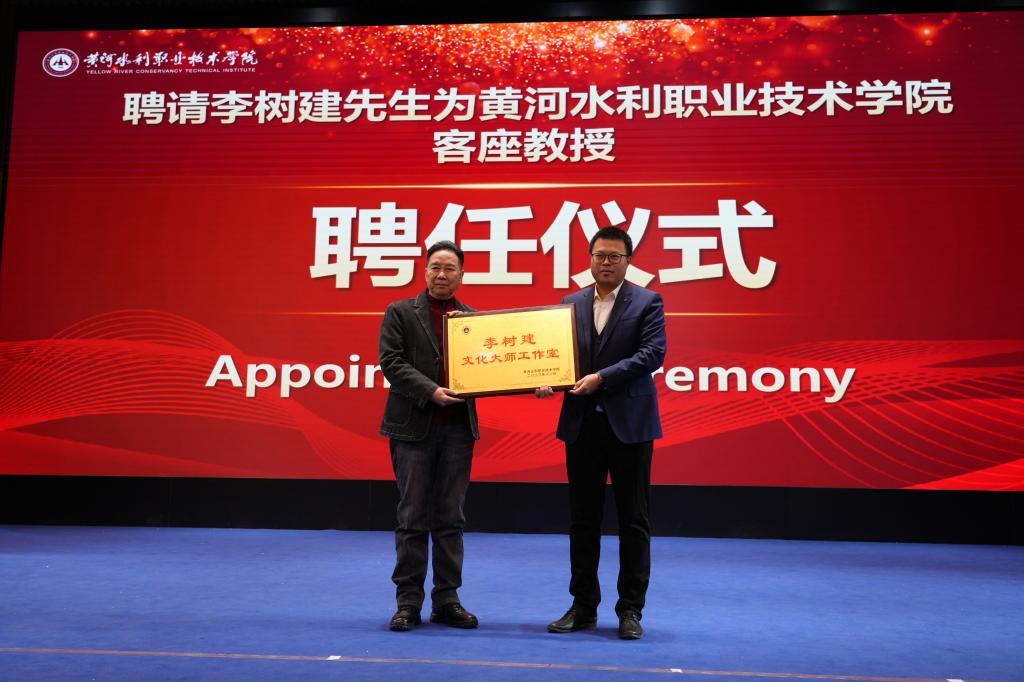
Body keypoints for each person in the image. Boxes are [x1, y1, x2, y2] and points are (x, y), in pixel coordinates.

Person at [536, 226, 666, 640]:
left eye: (614, 256)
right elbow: (557, 357)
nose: (606, 262)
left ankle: (630, 610)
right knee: (583, 520)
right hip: (582, 424)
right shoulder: (569, 304)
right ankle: (583, 606)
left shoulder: (647, 301)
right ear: (589, 259)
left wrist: (602, 378)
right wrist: (546, 378)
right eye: (599, 255)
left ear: (628, 261)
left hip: (630, 425)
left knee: (634, 521)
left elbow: (653, 354)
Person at [378, 240, 479, 632]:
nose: (441, 274)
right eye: (435, 266)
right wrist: (431, 391)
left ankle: (447, 600)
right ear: (424, 271)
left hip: (457, 430)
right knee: (412, 517)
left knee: (451, 518)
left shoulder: (473, 321)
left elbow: (496, 370)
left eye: (450, 268)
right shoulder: (401, 312)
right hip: (412, 429)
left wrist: (538, 381)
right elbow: (391, 361)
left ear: (461, 275)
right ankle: (408, 603)